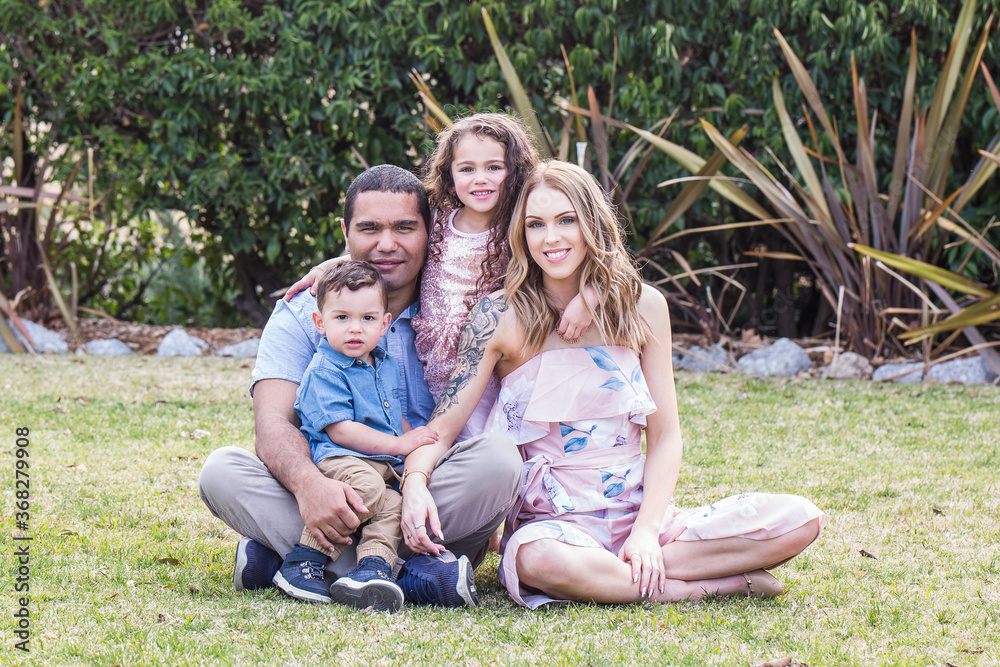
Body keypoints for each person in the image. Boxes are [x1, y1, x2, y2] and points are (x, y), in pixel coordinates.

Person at [400, 160, 827, 608]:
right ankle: (716, 586)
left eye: (567, 220)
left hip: (639, 515)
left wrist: (644, 533)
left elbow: (665, 437)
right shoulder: (497, 316)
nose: (552, 238)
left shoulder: (644, 307)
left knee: (801, 520)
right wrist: (415, 480)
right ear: (521, 235)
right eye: (536, 225)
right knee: (536, 560)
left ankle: (630, 568)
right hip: (554, 528)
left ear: (593, 224)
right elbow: (441, 430)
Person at [198, 165, 521, 608]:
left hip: (422, 489)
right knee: (222, 471)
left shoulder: (456, 305)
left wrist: (414, 486)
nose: (386, 244)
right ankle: (415, 576)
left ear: (431, 233)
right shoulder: (303, 311)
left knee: (500, 461)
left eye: (405, 228)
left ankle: (299, 562)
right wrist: (310, 487)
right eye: (369, 228)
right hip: (334, 483)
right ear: (345, 231)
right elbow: (272, 424)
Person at [286, 113, 595, 440]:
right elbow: (390, 246)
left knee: (490, 440)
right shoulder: (437, 218)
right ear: (449, 173)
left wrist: (589, 296)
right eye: (467, 169)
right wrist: (330, 265)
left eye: (494, 167)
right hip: (432, 359)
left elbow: (597, 258)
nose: (480, 179)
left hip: (486, 359)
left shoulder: (520, 223)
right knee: (441, 435)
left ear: (515, 170)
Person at [272, 261, 439, 611]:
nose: (354, 329)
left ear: (384, 324)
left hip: (379, 462)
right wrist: (397, 446)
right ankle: (304, 560)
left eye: (366, 319)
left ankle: (373, 568)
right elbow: (341, 430)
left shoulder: (384, 363)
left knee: (392, 504)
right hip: (339, 458)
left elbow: (392, 415)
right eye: (342, 318)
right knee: (366, 489)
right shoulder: (325, 370)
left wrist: (414, 437)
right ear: (320, 323)